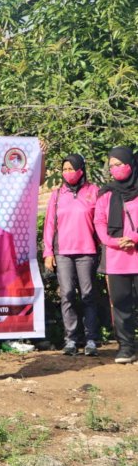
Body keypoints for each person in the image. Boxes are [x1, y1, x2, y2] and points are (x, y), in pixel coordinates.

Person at [43, 154, 100, 356]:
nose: (68, 172)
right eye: (64, 169)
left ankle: (91, 338)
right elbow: (49, 225)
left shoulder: (94, 192)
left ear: (81, 169)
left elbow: (101, 222)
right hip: (63, 253)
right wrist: (48, 252)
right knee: (67, 294)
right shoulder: (57, 195)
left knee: (88, 295)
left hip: (87, 251)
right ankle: (71, 339)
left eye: (71, 168)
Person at [94, 147, 138, 364]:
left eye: (119, 164)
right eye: (111, 165)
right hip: (116, 258)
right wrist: (113, 241)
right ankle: (126, 347)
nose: (115, 169)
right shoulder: (106, 193)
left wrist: (134, 239)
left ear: (131, 163)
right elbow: (99, 222)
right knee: (121, 304)